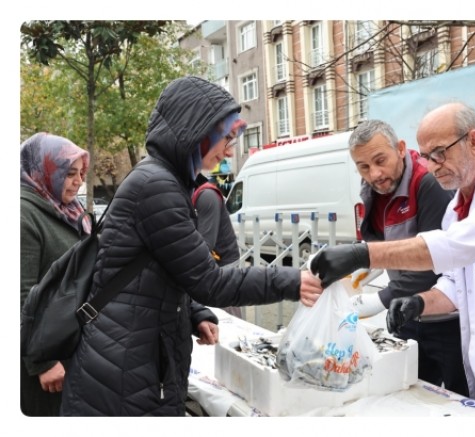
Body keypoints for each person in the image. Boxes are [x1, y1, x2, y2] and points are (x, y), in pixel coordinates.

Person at [60, 76, 323, 416]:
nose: (230, 150)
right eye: (226, 137)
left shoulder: (165, 179)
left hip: (130, 352)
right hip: (125, 366)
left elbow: (162, 268)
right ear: (194, 130)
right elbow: (209, 281)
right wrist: (293, 280)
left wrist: (194, 313)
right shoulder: (157, 186)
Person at [310, 102, 475, 402]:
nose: (432, 165)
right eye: (427, 157)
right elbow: (453, 283)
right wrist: (418, 302)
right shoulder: (456, 208)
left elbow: (450, 248)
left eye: (440, 153)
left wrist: (362, 256)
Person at [345, 119, 467, 397]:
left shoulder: (428, 185)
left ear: (400, 149)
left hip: (448, 321)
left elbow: (434, 259)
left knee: (461, 400)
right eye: (363, 167)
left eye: (380, 160)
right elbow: (381, 246)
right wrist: (366, 266)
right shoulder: (374, 191)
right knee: (410, 395)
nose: (375, 174)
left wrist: (380, 299)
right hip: (407, 315)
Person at [20, 133, 91, 416]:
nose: (78, 181)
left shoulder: (70, 210)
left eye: (80, 173)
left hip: (72, 348)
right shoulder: (23, 215)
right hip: (44, 363)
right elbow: (19, 296)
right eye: (69, 173)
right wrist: (42, 363)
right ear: (45, 171)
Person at [192, 115, 247, 319]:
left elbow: (204, 247)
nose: (231, 152)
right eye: (228, 140)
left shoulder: (206, 196)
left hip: (222, 278)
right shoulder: (202, 194)